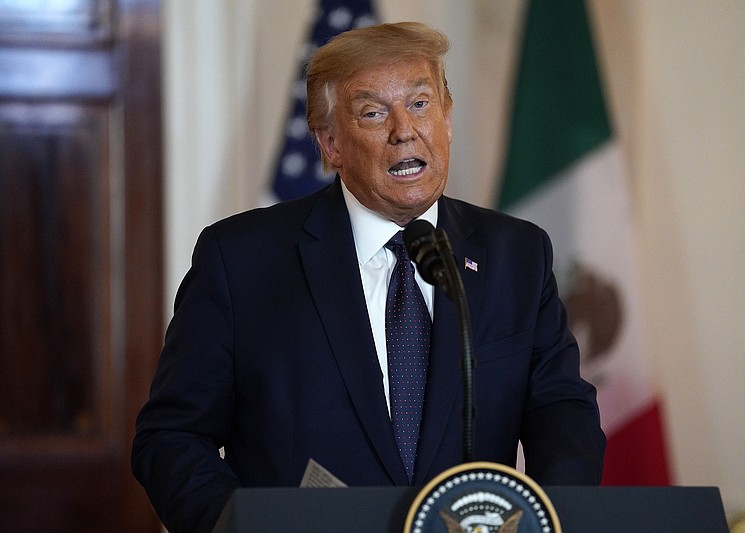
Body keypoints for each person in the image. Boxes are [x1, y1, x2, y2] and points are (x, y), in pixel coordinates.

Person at [132, 21, 605, 533]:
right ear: (330, 144)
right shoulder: (241, 259)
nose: (405, 130)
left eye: (421, 104)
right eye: (373, 112)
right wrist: (242, 526)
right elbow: (172, 436)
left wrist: (549, 521)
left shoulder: (517, 254)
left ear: (447, 120)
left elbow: (561, 413)